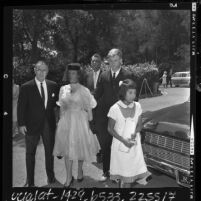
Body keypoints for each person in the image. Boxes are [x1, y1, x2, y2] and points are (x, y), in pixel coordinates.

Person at [53, 63, 100, 188]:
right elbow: (62, 108)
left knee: (80, 148)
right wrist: (60, 125)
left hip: (80, 122)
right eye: (69, 73)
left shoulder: (84, 90)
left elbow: (89, 111)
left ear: (79, 75)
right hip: (66, 123)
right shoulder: (63, 89)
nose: (71, 75)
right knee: (67, 151)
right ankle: (69, 177)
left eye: (74, 73)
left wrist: (89, 121)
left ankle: (79, 170)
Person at [17, 61, 59, 187]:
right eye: (39, 70)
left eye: (44, 70)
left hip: (48, 124)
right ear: (35, 70)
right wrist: (21, 124)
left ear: (47, 71)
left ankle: (51, 177)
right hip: (31, 125)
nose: (42, 72)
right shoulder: (26, 87)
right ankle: (30, 182)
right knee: (30, 154)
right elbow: (21, 107)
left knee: (49, 152)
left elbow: (56, 104)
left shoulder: (53, 85)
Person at [94, 48, 133, 182]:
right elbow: (97, 94)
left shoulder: (128, 75)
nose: (113, 63)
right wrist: (85, 100)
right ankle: (106, 171)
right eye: (110, 60)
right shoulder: (103, 75)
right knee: (105, 145)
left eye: (115, 60)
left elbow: (133, 97)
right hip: (106, 117)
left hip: (122, 117)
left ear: (121, 61)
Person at [107, 79, 152, 188]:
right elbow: (110, 129)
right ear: (123, 93)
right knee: (122, 175)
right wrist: (124, 140)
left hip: (133, 146)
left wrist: (132, 137)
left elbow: (139, 126)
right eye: (130, 93)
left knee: (130, 177)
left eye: (134, 93)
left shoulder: (138, 106)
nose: (133, 96)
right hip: (119, 146)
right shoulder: (114, 108)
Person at [83, 53, 103, 163]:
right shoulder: (87, 76)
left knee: (101, 131)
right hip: (90, 110)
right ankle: (98, 152)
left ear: (100, 63)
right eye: (93, 61)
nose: (94, 62)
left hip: (101, 109)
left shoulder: (105, 75)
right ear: (91, 63)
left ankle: (104, 152)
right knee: (93, 131)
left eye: (97, 61)